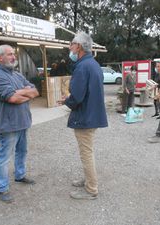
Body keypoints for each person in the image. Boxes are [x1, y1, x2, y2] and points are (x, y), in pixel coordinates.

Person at [58, 32, 108, 200]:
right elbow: (87, 92)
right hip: (92, 114)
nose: (69, 47)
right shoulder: (93, 64)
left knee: (86, 153)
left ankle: (91, 189)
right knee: (87, 151)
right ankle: (88, 180)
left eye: (71, 44)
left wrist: (67, 101)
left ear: (78, 46)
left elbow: (78, 96)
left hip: (85, 116)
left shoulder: (82, 66)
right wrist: (72, 98)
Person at [0, 44, 39, 203]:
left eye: (14, 54)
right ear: (0, 58)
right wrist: (24, 93)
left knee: (22, 151)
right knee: (4, 157)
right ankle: (2, 188)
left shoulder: (16, 75)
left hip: (22, 121)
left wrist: (21, 92)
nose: (13, 57)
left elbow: (35, 91)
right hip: (8, 124)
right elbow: (13, 99)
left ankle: (20, 175)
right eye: (9, 54)